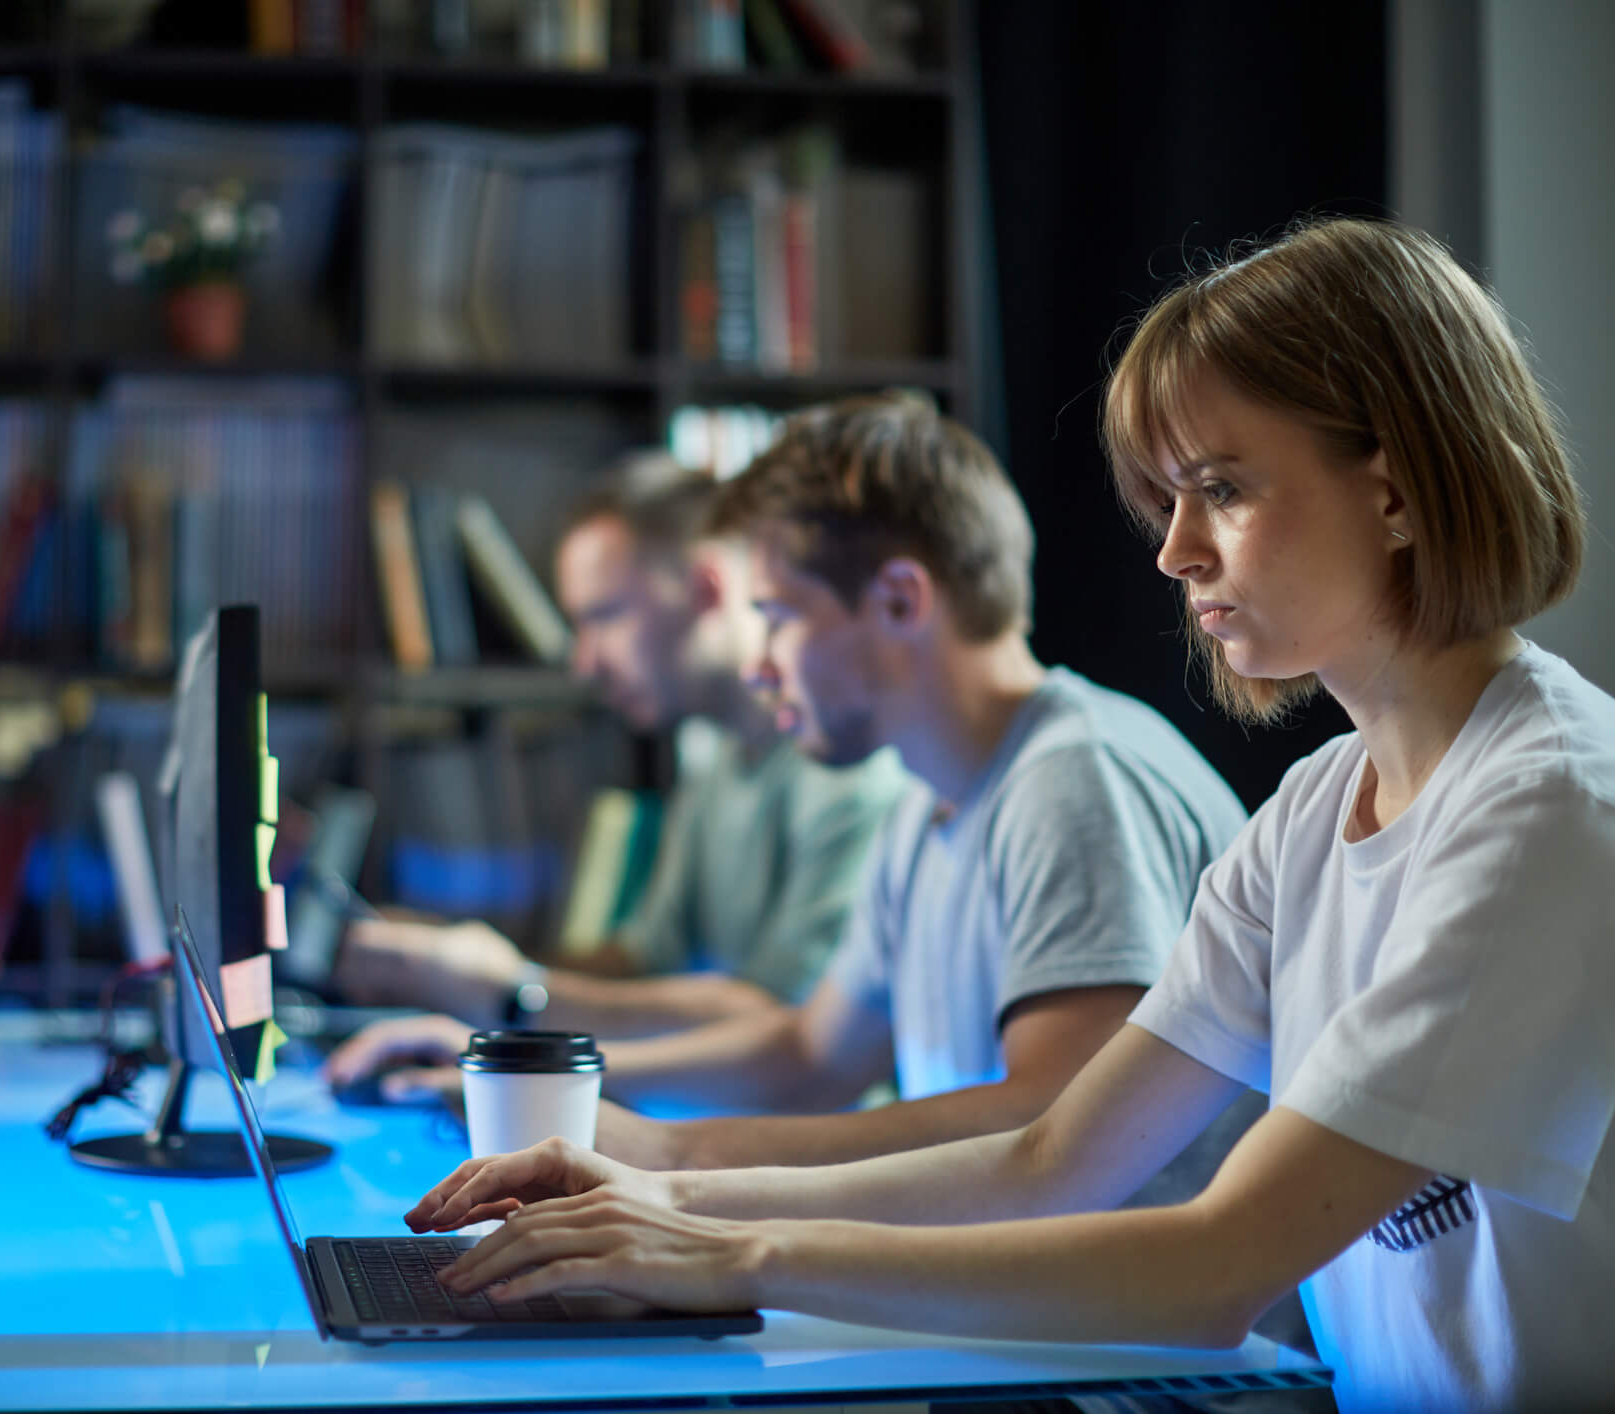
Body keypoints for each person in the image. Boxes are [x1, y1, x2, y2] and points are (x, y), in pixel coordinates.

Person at [400, 218, 1612, 1414]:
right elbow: (1052, 1161)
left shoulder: (1542, 808)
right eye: (1172, 499)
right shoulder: (1310, 812)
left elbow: (1214, 1271)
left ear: (1395, 493)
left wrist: (731, 1253)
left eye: (1224, 490)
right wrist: (658, 1197)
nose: (1175, 551)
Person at [336, 392, 1252, 1194]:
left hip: (1145, 1381)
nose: (761, 664)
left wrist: (668, 1152)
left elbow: (1042, 1120)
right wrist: (547, 1088)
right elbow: (809, 1057)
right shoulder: (927, 804)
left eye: (776, 617)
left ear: (898, 600)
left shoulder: (1071, 780)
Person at [330, 457, 905, 1051]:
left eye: (605, 617)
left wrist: (515, 991)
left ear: (707, 588)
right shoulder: (713, 756)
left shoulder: (850, 770)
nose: (584, 663)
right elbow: (646, 962)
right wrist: (447, 966)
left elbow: (787, 1025)